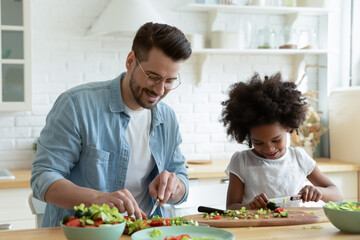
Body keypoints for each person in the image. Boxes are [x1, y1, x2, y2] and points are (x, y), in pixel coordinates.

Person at [31, 22, 192, 227]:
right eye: (153, 77)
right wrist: (95, 199)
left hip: (145, 231)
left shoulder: (167, 118)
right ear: (130, 61)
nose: (160, 90)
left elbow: (181, 179)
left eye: (170, 81)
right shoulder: (76, 105)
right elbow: (42, 177)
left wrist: (175, 187)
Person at [220, 72, 343, 210]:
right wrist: (250, 206)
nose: (269, 149)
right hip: (255, 229)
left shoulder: (298, 158)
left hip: (291, 228)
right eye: (258, 142)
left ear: (288, 127)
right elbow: (231, 207)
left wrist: (320, 192)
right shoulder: (241, 161)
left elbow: (337, 195)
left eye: (276, 140)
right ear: (247, 134)